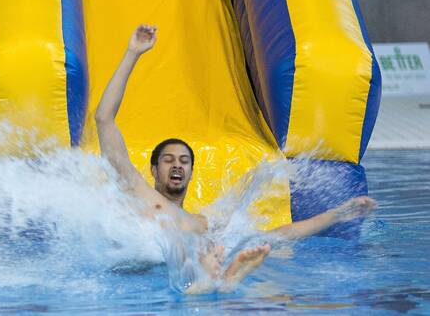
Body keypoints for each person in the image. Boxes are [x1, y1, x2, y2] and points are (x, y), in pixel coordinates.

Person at [95, 24, 377, 292]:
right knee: (197, 256)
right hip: (139, 273)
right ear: (154, 170)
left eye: (184, 161)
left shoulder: (202, 224)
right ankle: (219, 282)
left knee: (217, 250)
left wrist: (339, 213)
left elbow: (278, 235)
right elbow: (104, 118)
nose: (178, 164)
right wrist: (133, 53)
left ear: (191, 172)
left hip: (176, 279)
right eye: (169, 160)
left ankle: (217, 281)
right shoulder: (137, 193)